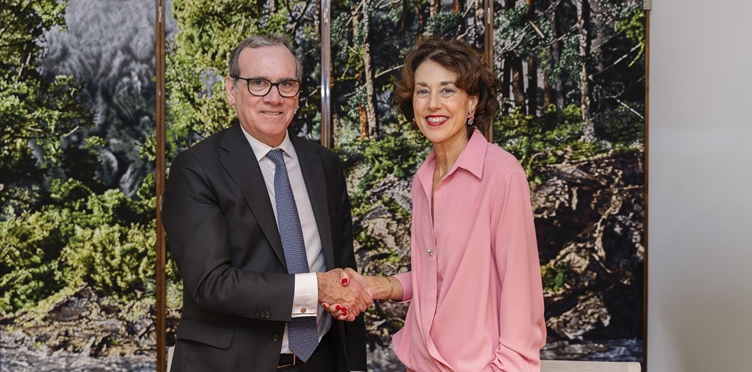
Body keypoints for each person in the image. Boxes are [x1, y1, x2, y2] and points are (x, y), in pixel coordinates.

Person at [325, 36, 547, 371]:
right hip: (417, 363)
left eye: (447, 90)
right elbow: (438, 277)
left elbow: (522, 296)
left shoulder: (502, 174)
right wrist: (377, 286)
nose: (433, 104)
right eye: (422, 91)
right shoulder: (423, 178)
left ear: (472, 102)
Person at [162, 34, 370, 372]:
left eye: (286, 84)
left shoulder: (324, 164)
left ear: (297, 94)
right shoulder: (196, 168)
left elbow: (346, 277)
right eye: (258, 83)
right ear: (231, 90)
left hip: (321, 361)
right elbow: (210, 283)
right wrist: (315, 289)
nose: (274, 98)